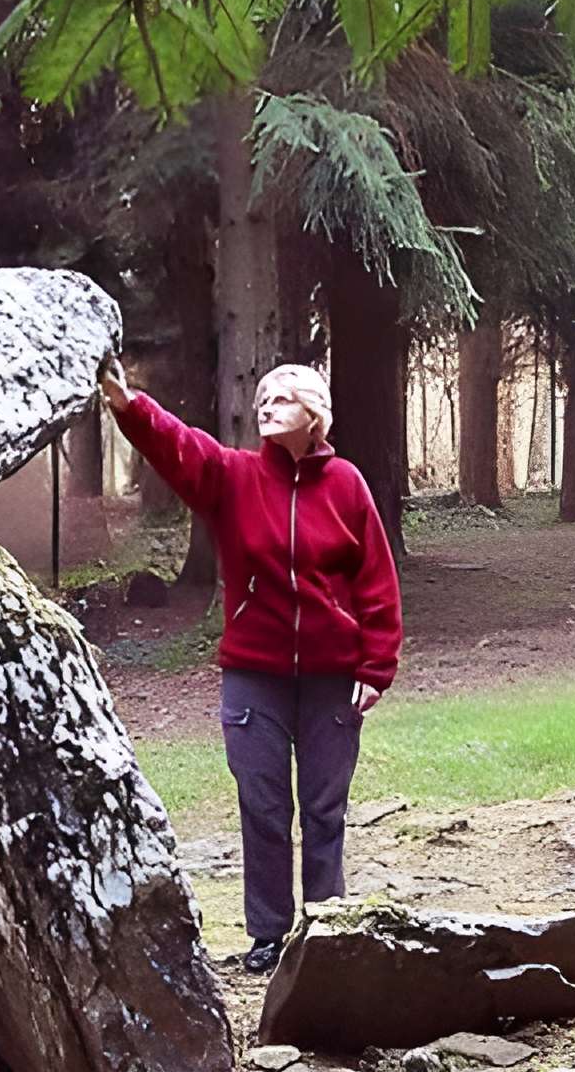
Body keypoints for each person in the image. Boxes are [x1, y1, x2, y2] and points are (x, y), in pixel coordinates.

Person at [99, 353, 403, 974]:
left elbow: (376, 580)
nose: (266, 407)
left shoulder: (347, 485)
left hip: (332, 679)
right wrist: (131, 407)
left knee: (324, 810)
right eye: (262, 399)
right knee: (263, 807)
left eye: (282, 399)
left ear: (314, 414)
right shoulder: (234, 476)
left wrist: (376, 667)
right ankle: (268, 934)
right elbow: (180, 447)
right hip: (253, 677)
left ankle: (325, 928)